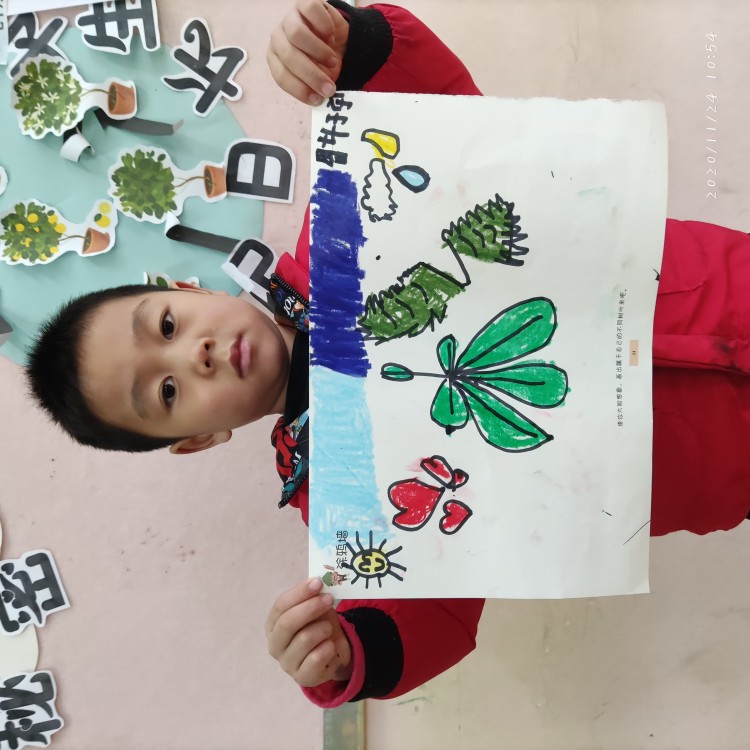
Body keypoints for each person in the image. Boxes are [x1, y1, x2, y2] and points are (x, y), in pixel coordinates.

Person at [25, 0, 750, 709]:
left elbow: (447, 112)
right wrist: (345, 653)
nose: (196, 355)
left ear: (189, 289)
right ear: (198, 440)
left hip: (713, 285)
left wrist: (351, 46)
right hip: (716, 466)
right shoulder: (343, 506)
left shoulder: (345, 215)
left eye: (167, 325)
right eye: (167, 392)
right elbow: (437, 614)